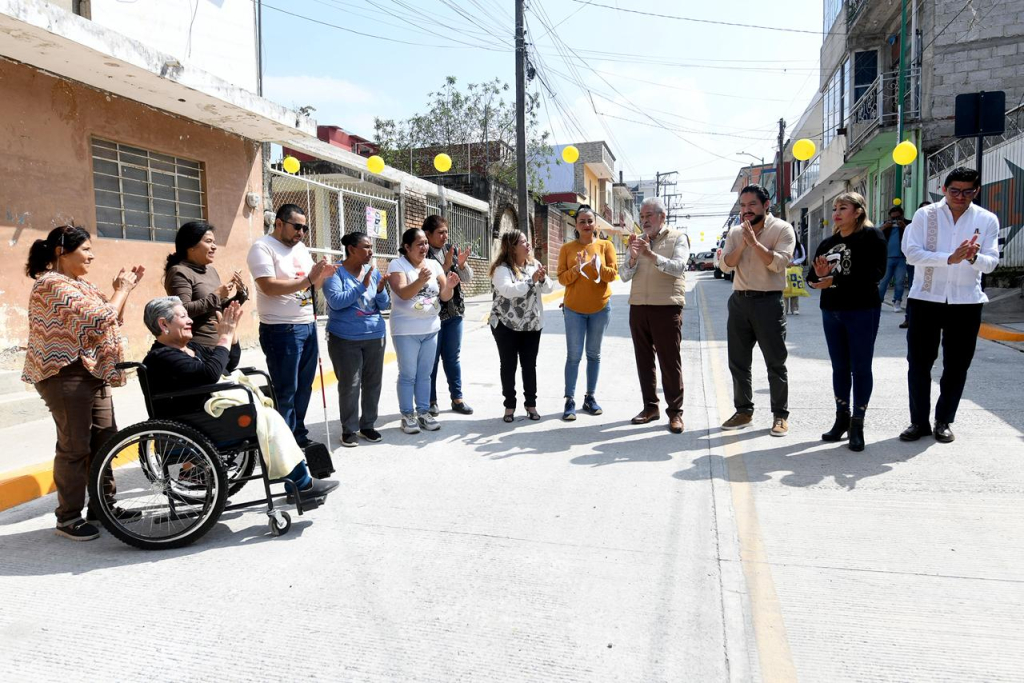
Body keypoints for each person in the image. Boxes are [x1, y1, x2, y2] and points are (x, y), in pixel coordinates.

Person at [141, 297, 337, 502]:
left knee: (267, 413)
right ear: (163, 324)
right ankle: (301, 484)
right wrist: (223, 338)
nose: (190, 320)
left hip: (210, 419)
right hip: (195, 427)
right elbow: (210, 374)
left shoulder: (191, 348)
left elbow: (228, 364)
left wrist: (231, 336)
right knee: (268, 418)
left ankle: (298, 480)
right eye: (183, 316)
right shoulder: (161, 357)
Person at [22, 224, 145, 541]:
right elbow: (99, 318)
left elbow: (111, 319)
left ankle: (103, 507)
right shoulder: (51, 284)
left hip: (93, 368)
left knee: (105, 439)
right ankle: (68, 518)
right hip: (64, 372)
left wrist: (122, 290)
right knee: (75, 446)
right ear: (62, 251)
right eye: (86, 249)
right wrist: (122, 290)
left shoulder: (81, 285)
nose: (92, 255)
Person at [899, 167, 999, 444]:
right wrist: (949, 258)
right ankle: (918, 422)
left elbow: (991, 262)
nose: (960, 196)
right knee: (919, 363)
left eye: (968, 191)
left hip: (966, 301)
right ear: (943, 189)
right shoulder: (925, 215)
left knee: (957, 365)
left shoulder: (986, 219)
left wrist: (973, 257)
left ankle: (943, 420)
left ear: (976, 191)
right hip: (925, 299)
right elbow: (911, 253)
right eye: (954, 190)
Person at [246, 204, 337, 446]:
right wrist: (309, 279)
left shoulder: (301, 249)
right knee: (286, 389)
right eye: (297, 227)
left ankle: (298, 434)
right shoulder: (262, 247)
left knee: (304, 386)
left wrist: (322, 276)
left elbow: (311, 285)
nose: (301, 233)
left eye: (304, 228)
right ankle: (283, 444)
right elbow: (268, 286)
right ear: (279, 223)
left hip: (307, 325)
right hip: (281, 329)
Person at [806, 192, 887, 451]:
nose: (836, 213)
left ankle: (857, 424)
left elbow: (876, 273)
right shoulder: (827, 243)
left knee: (860, 368)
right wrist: (818, 277)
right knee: (839, 367)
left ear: (858, 211)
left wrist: (834, 280)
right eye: (835, 209)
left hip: (862, 310)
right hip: (831, 311)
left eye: (843, 208)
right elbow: (812, 278)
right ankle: (841, 419)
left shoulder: (871, 236)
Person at [718, 184, 796, 436]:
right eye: (743, 205)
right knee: (738, 362)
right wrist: (743, 244)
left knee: (775, 362)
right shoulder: (735, 233)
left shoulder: (782, 229)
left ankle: (780, 415)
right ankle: (743, 411)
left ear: (766, 205)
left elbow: (779, 263)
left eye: (752, 204)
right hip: (739, 302)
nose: (746, 210)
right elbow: (725, 266)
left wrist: (755, 244)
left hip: (768, 302)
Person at [618, 197, 690, 434]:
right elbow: (624, 276)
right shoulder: (637, 242)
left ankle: (675, 412)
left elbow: (678, 267)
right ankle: (650, 407)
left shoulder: (678, 238)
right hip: (639, 307)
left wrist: (650, 255)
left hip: (666, 307)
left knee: (669, 362)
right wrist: (633, 257)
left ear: (662, 216)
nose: (644, 220)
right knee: (644, 361)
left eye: (649, 215)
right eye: (642, 216)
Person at [387, 227, 461, 434]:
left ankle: (423, 412)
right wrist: (420, 280)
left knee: (425, 374)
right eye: (419, 244)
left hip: (431, 328)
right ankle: (407, 415)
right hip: (406, 330)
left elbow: (444, 296)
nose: (424, 247)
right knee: (408, 374)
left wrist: (450, 286)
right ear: (407, 247)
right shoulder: (397, 265)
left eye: (425, 243)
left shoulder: (433, 264)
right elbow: (402, 293)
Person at [323, 232, 390, 448]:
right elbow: (335, 302)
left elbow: (384, 304)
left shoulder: (373, 271)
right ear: (351, 249)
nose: (371, 251)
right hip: (345, 338)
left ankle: (368, 425)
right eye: (366, 247)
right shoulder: (335, 272)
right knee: (350, 385)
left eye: (371, 247)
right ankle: (349, 429)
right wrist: (362, 286)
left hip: (375, 336)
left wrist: (380, 290)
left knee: (373, 382)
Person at [556, 204, 617, 421]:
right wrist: (576, 268)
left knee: (594, 354)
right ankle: (569, 400)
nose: (586, 225)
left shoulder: (605, 246)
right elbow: (562, 278)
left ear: (595, 224)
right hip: (574, 310)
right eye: (582, 221)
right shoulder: (567, 249)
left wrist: (597, 267)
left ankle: (590, 397)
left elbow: (612, 275)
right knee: (574, 356)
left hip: (600, 309)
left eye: (590, 221)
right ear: (576, 225)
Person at [489, 230, 553, 422]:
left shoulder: (534, 265)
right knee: (508, 365)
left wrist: (542, 279)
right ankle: (509, 406)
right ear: (512, 247)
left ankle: (530, 404)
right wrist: (531, 281)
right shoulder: (502, 269)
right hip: (506, 325)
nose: (528, 245)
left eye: (527, 241)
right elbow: (508, 290)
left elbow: (548, 288)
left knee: (529, 366)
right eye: (523, 242)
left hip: (531, 325)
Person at [164, 220, 248, 349]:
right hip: (199, 348)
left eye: (214, 242)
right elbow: (182, 311)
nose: (214, 247)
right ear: (191, 246)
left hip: (222, 344)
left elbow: (219, 308)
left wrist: (240, 294)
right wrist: (217, 295)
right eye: (208, 241)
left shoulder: (211, 270)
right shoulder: (179, 272)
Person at [423, 215, 474, 417]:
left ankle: (457, 398)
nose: (445, 236)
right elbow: (426, 285)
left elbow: (467, 279)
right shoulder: (422, 255)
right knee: (431, 360)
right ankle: (430, 400)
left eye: (446, 232)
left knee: (452, 358)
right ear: (428, 234)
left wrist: (461, 265)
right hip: (432, 315)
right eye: (440, 232)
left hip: (454, 313)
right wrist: (444, 268)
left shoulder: (451, 250)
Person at [899, 200, 933, 330]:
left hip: (935, 265)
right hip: (915, 264)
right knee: (915, 290)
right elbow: (905, 247)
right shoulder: (911, 227)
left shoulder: (940, 227)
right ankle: (909, 318)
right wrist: (915, 258)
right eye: (923, 209)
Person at [876, 206, 910, 313]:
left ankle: (897, 301)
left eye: (898, 217)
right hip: (887, 258)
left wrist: (904, 226)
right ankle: (878, 302)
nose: (895, 220)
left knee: (899, 281)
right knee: (883, 281)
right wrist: (884, 226)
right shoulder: (886, 224)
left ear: (902, 216)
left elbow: (914, 235)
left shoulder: (908, 224)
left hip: (901, 258)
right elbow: (874, 234)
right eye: (893, 218)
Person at [784, 239, 807, 315]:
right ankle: (784, 309)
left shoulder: (799, 246)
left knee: (795, 287)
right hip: (785, 268)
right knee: (785, 288)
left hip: (795, 269)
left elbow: (803, 257)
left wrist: (794, 262)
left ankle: (795, 308)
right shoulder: (783, 243)